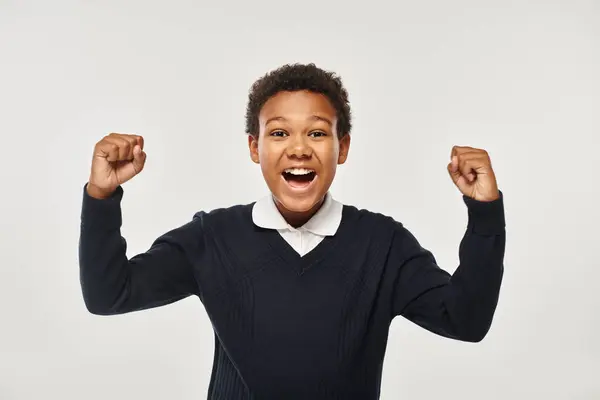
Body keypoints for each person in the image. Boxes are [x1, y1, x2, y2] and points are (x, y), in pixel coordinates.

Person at [78, 63, 505, 399]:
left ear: (343, 148)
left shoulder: (384, 245)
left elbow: (465, 320)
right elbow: (108, 295)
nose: (299, 148)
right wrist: (101, 195)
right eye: (279, 132)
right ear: (254, 147)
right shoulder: (211, 238)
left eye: (317, 133)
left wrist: (484, 212)